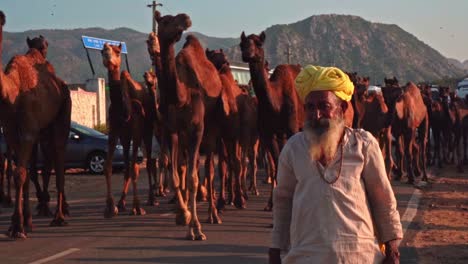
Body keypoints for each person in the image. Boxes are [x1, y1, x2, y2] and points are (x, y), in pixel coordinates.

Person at [269, 65, 402, 264]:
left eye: (324, 106)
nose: (317, 114)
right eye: (310, 107)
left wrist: (391, 249)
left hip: (359, 255)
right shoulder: (293, 148)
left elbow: (383, 198)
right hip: (306, 255)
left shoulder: (363, 145)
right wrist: (275, 250)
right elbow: (282, 202)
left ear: (343, 108)